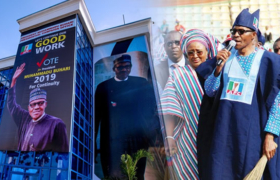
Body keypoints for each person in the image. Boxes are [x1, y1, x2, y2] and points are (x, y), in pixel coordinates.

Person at [203, 8, 280, 179]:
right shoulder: (225, 58)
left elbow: (277, 102)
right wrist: (217, 71)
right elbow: (209, 91)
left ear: (253, 34)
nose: (235, 35)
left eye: (241, 31)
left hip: (253, 133)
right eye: (233, 31)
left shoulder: (269, 61)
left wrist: (270, 136)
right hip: (224, 132)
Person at [160, 29, 219, 180]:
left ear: (208, 51)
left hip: (216, 134)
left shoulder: (218, 72)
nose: (195, 56)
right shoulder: (178, 75)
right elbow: (169, 108)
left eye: (199, 51)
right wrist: (169, 136)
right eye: (190, 52)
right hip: (189, 136)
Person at [95, 54, 159, 179]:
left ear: (130, 67)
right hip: (113, 140)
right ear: (114, 68)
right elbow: (96, 116)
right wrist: (93, 145)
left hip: (136, 139)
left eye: (127, 67)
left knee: (137, 172)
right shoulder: (103, 87)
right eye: (120, 67)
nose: (124, 69)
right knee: (114, 173)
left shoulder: (141, 84)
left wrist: (153, 135)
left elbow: (152, 110)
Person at [8, 63, 69, 152]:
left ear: (45, 104)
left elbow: (62, 153)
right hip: (20, 163)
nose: (36, 107)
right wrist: (13, 80)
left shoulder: (56, 124)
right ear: (29, 107)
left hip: (40, 165)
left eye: (40, 103)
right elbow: (11, 104)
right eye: (33, 104)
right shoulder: (24, 118)